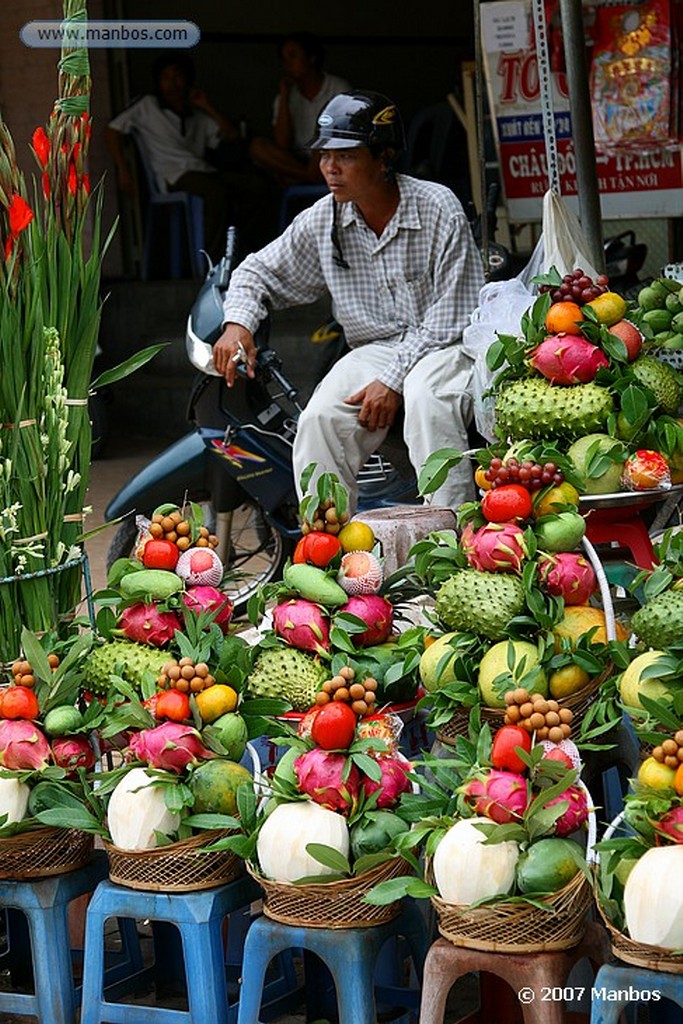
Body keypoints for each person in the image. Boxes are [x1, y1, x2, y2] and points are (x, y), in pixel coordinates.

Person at [213, 90, 485, 512]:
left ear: (384, 157)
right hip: (374, 350)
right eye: (324, 156)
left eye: (346, 155)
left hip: (445, 346)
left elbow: (451, 318)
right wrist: (238, 324)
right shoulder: (325, 219)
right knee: (319, 419)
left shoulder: (437, 208)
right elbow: (255, 271)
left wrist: (393, 380)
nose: (329, 168)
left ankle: (453, 535)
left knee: (429, 403)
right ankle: (330, 549)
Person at [106, 51, 275, 261]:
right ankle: (213, 261)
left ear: (188, 80)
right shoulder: (147, 105)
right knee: (216, 193)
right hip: (173, 175)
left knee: (258, 186)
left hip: (205, 172)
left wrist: (206, 105)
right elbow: (113, 130)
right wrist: (122, 169)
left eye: (177, 76)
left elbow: (232, 136)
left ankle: (246, 247)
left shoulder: (196, 115)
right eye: (165, 77)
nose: (172, 83)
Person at [249, 33, 350, 185]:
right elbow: (282, 142)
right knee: (257, 147)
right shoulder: (287, 96)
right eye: (284, 59)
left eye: (293, 56)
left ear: (311, 58)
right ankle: (308, 177)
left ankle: (302, 178)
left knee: (323, 138)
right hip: (299, 160)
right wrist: (284, 96)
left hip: (332, 156)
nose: (288, 64)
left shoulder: (338, 88)